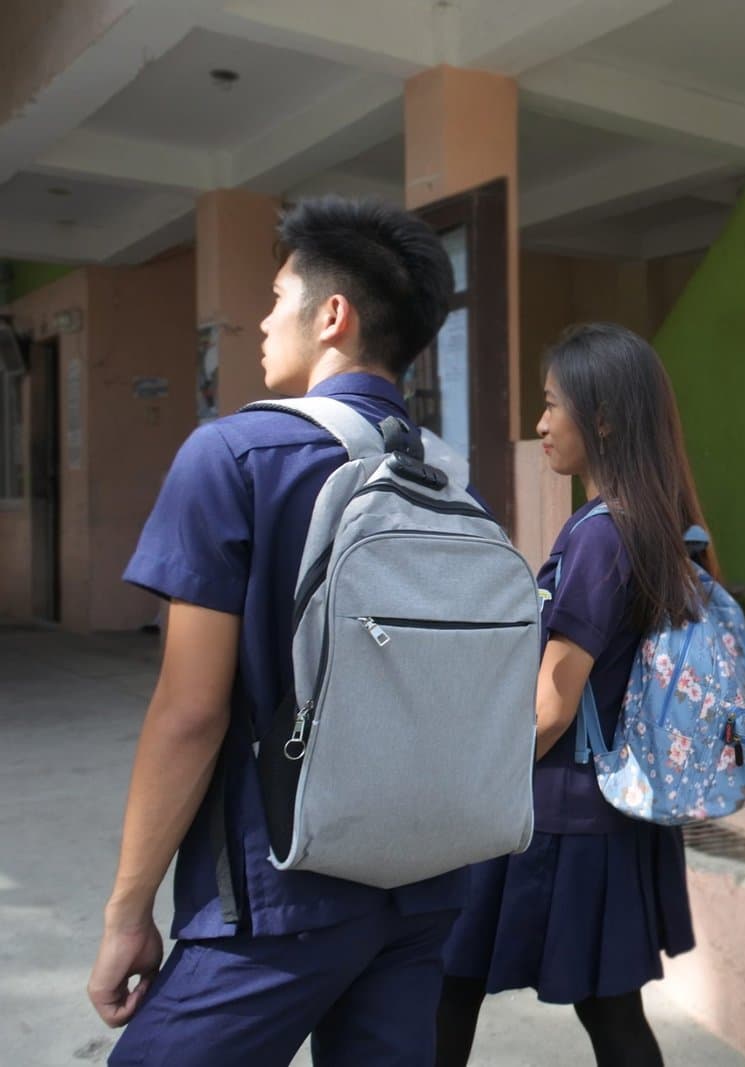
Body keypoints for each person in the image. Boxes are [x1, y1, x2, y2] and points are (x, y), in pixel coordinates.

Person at [87, 195, 463, 1065]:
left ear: (333, 315)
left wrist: (126, 911)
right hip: (428, 884)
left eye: (275, 294)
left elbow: (190, 711)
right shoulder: (448, 478)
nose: (259, 320)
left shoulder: (233, 457)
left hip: (273, 892)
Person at [435, 323, 701, 1067]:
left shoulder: (598, 536)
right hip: (611, 811)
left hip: (554, 812)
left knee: (447, 978)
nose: (541, 424)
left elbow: (553, 706)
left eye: (554, 406)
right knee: (609, 1009)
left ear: (606, 417)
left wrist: (467, 785)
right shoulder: (654, 522)